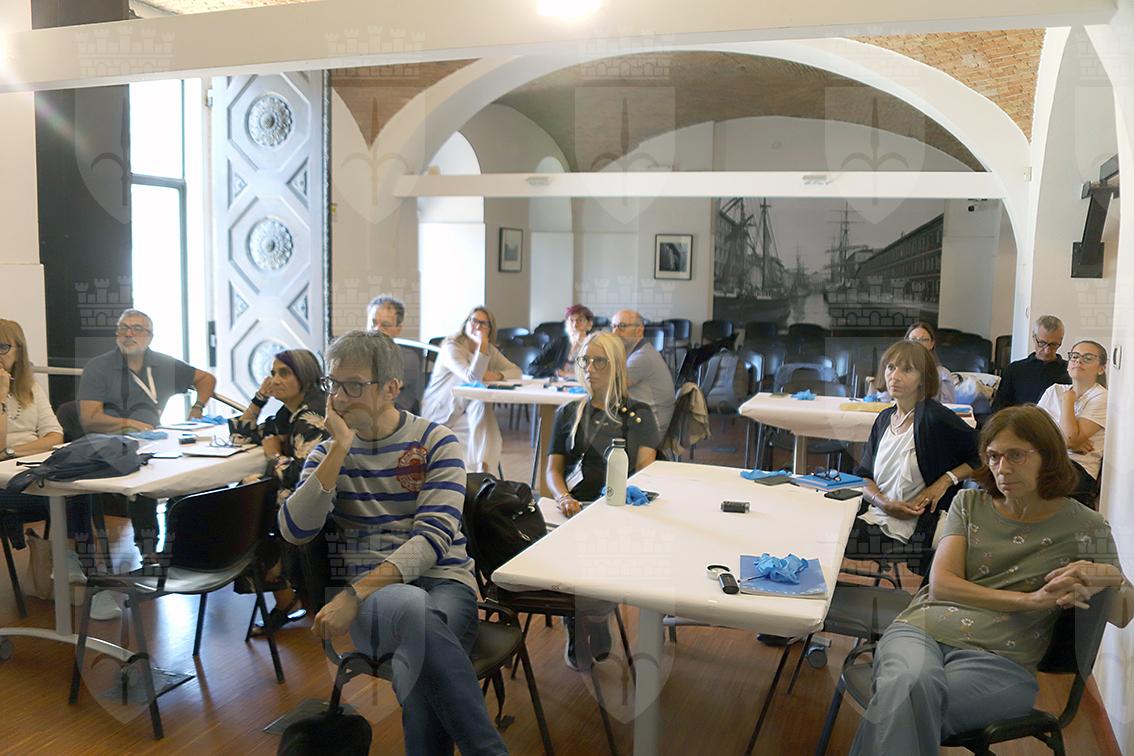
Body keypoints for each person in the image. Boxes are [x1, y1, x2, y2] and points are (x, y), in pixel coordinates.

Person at [849, 405, 1132, 755]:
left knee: (901, 701)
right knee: (908, 689)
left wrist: (1108, 575)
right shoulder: (968, 504)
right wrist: (1029, 601)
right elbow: (942, 585)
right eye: (994, 456)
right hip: (921, 631)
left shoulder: (1089, 526)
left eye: (1016, 455)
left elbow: (1124, 613)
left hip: (1003, 658)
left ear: (1048, 457)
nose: (1002, 468)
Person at [279, 330, 507, 756]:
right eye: (332, 384)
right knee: (412, 612)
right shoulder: (327, 453)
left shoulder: (436, 441)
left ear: (391, 388)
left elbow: (432, 539)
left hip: (441, 583)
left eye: (353, 385)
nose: (338, 398)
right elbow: (295, 530)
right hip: (377, 601)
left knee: (415, 664)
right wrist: (339, 449)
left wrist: (352, 594)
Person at [546, 331, 660, 669]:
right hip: (571, 510)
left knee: (599, 547)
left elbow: (646, 474)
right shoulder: (569, 412)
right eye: (585, 360)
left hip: (617, 510)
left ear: (616, 366)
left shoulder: (637, 414)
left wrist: (616, 507)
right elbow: (553, 471)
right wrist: (563, 496)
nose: (590, 368)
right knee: (564, 547)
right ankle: (577, 620)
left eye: (600, 362)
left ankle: (594, 615)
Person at [76, 309, 217, 557]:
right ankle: (148, 552)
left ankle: (182, 545)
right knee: (143, 474)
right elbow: (90, 419)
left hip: (155, 440)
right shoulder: (98, 367)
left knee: (193, 472)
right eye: (123, 328)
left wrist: (197, 408)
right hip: (111, 444)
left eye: (137, 329)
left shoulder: (163, 364)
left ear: (150, 337)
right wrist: (130, 423)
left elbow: (206, 379)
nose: (129, 334)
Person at [846, 341, 980, 576]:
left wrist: (945, 481)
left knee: (828, 534)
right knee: (822, 521)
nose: (894, 376)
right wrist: (883, 502)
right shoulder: (885, 418)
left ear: (923, 378)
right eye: (891, 367)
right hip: (876, 511)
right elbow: (863, 476)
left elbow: (984, 453)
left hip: (907, 528)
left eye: (906, 370)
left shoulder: (935, 417)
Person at [0, 319, 104, 612]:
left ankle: (78, 569)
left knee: (76, 488)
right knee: (61, 495)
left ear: (19, 351)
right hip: (5, 486)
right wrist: (1, 396)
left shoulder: (30, 387)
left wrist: (11, 451)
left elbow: (55, 435)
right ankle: (85, 575)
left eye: (2, 347)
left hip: (29, 469)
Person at [229, 349, 329, 635]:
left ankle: (285, 596)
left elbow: (306, 477)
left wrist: (274, 456)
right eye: (272, 373)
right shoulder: (290, 413)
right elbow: (240, 437)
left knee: (244, 507)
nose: (275, 379)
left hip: (325, 500)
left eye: (284, 373)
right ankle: (285, 594)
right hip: (303, 497)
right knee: (245, 501)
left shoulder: (311, 416)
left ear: (304, 377)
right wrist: (259, 399)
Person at [421, 306, 521, 473]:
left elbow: (516, 371)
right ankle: (483, 473)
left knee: (482, 410)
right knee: (487, 429)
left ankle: (482, 472)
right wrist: (482, 345)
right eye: (474, 321)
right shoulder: (451, 348)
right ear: (466, 323)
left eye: (483, 323)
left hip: (467, 409)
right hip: (442, 411)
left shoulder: (489, 350)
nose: (477, 326)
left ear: (490, 329)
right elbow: (473, 377)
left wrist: (497, 375)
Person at [1036, 339, 1108, 504]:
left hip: (1077, 469)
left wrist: (1068, 400)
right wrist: (1068, 442)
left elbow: (1070, 439)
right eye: (1074, 356)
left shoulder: (1102, 397)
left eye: (1087, 358)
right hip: (1044, 460)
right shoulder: (1054, 390)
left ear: (1101, 369)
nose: (1078, 361)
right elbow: (1031, 433)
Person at [610, 309, 675, 433]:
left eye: (622, 326)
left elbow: (611, 390)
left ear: (639, 330)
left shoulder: (642, 357)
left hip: (651, 430)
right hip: (645, 420)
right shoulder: (639, 351)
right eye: (613, 327)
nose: (615, 332)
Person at [991, 314, 1070, 411]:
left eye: (1053, 344)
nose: (1047, 350)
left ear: (1060, 341)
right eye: (1042, 343)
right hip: (1019, 419)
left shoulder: (1070, 371)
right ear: (1034, 337)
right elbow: (998, 408)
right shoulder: (1014, 369)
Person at [367, 294, 423, 413]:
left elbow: (380, 392)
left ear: (398, 329)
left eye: (385, 325)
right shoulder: (357, 354)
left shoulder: (408, 359)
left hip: (393, 417)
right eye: (373, 323)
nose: (377, 329)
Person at [875, 322, 956, 404]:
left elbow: (948, 406)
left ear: (932, 344)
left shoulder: (943, 374)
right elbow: (884, 402)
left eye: (924, 340)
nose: (918, 343)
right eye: (913, 339)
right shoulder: (892, 370)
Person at [527, 304, 593, 379]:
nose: (574, 325)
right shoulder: (560, 342)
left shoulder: (594, 344)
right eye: (571, 321)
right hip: (561, 384)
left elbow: (597, 373)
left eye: (580, 320)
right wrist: (555, 372)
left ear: (589, 324)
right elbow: (531, 368)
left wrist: (568, 375)